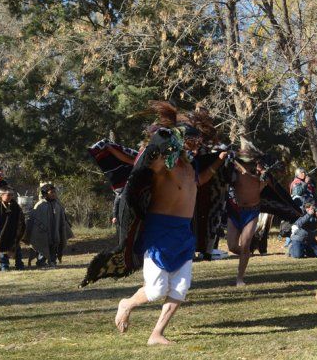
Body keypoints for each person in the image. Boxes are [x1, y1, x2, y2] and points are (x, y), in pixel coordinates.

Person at [113, 101, 226, 346]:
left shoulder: (190, 169)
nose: (196, 145)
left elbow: (200, 181)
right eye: (192, 140)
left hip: (183, 233)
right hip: (159, 231)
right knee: (155, 291)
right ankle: (127, 303)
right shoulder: (165, 165)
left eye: (197, 141)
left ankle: (156, 333)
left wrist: (218, 162)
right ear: (179, 140)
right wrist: (164, 141)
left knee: (180, 289)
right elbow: (146, 162)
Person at [227, 145, 268, 287]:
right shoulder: (233, 171)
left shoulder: (259, 172)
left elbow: (266, 182)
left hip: (252, 211)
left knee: (245, 245)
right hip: (235, 210)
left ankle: (240, 277)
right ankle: (246, 254)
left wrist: (258, 173)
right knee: (232, 246)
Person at [26, 183, 73, 266]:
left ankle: (52, 261)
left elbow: (62, 218)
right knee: (42, 247)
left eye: (54, 192)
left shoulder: (58, 204)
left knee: (54, 247)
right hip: (42, 233)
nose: (54, 194)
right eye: (51, 192)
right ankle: (41, 262)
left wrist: (65, 226)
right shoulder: (40, 205)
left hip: (55, 232)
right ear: (45, 194)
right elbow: (34, 219)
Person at [0, 187, 26, 271]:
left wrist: (20, 229)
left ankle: (19, 264)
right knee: (2, 249)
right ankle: (4, 266)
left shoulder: (15, 206)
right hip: (0, 233)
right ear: (1, 195)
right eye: (8, 195)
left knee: (17, 249)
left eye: (12, 195)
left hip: (13, 231)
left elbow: (21, 218)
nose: (10, 197)